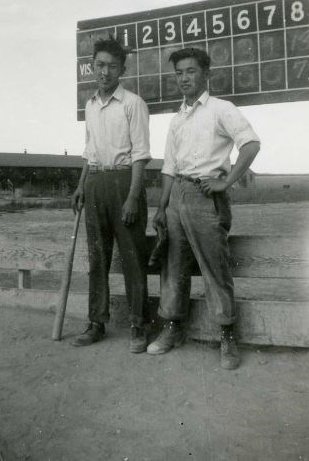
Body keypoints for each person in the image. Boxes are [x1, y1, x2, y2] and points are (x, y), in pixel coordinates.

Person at [147, 47, 260, 369]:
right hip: (177, 196)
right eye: (179, 72)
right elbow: (169, 167)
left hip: (206, 195)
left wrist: (227, 182)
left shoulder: (222, 110)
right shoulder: (177, 119)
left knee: (215, 268)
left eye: (190, 71)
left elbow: (251, 144)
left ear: (205, 74)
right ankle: (172, 329)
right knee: (173, 266)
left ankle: (227, 337)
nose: (184, 78)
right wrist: (161, 207)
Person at [72, 37, 151, 353]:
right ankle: (96, 323)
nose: (104, 72)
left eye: (112, 66)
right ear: (93, 66)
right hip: (95, 184)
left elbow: (141, 155)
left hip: (124, 184)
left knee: (133, 259)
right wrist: (80, 186)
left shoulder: (133, 104)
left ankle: (138, 325)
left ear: (122, 69)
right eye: (100, 65)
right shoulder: (90, 105)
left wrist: (132, 197)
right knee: (97, 259)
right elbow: (89, 152)